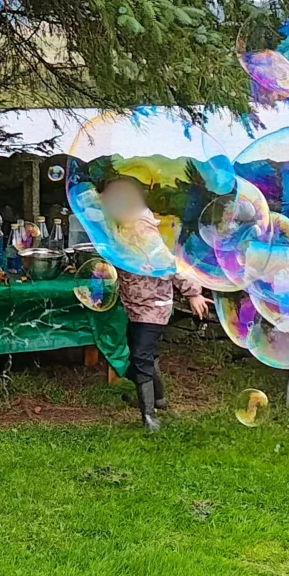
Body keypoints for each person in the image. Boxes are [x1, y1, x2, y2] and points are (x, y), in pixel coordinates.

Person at [95, 177, 205, 432]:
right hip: (135, 305)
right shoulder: (122, 226)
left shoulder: (142, 230)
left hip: (154, 306)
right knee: (141, 354)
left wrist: (193, 293)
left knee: (140, 356)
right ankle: (158, 398)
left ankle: (149, 416)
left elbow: (170, 264)